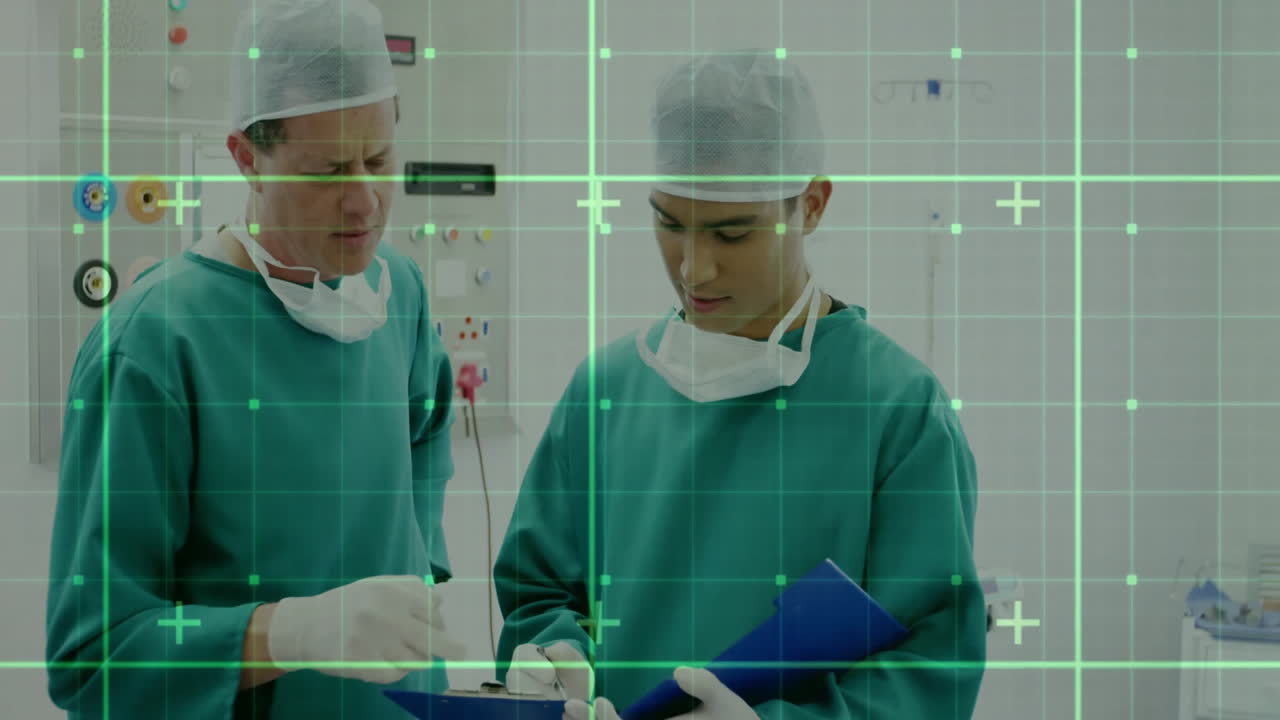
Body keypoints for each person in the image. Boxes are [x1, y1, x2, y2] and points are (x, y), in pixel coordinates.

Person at [493, 52, 986, 719]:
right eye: (669, 224)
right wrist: (553, 658)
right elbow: (538, 591)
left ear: (811, 205)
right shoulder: (606, 392)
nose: (693, 267)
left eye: (731, 231)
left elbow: (931, 669)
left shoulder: (897, 412)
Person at [45, 1, 465, 717]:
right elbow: (91, 659)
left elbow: (426, 428)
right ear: (247, 158)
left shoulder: (400, 292)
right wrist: (289, 632)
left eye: (378, 159)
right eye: (328, 169)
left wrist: (416, 563)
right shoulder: (156, 344)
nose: (363, 199)